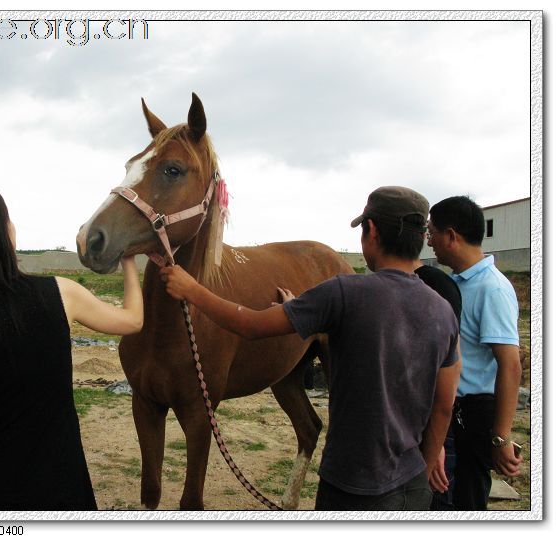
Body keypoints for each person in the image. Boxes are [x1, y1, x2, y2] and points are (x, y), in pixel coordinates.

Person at [161, 186, 461, 511]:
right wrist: (425, 466)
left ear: (371, 231)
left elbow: (249, 324)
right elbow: (443, 405)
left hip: (351, 483)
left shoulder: (343, 293)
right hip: (411, 483)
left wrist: (192, 289)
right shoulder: (442, 310)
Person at [0, 184, 143, 511]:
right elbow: (132, 321)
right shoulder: (61, 292)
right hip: (62, 479)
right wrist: (128, 261)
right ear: (4, 233)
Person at [426, 195, 522, 510]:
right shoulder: (457, 284)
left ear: (451, 236)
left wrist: (501, 437)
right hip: (451, 413)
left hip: (472, 414)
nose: (429, 240)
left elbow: (509, 366)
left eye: (433, 232)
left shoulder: (491, 289)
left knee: (463, 502)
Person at [413, 259, 462, 509]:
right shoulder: (443, 286)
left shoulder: (433, 287)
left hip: (429, 427)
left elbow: (443, 400)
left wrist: (436, 444)